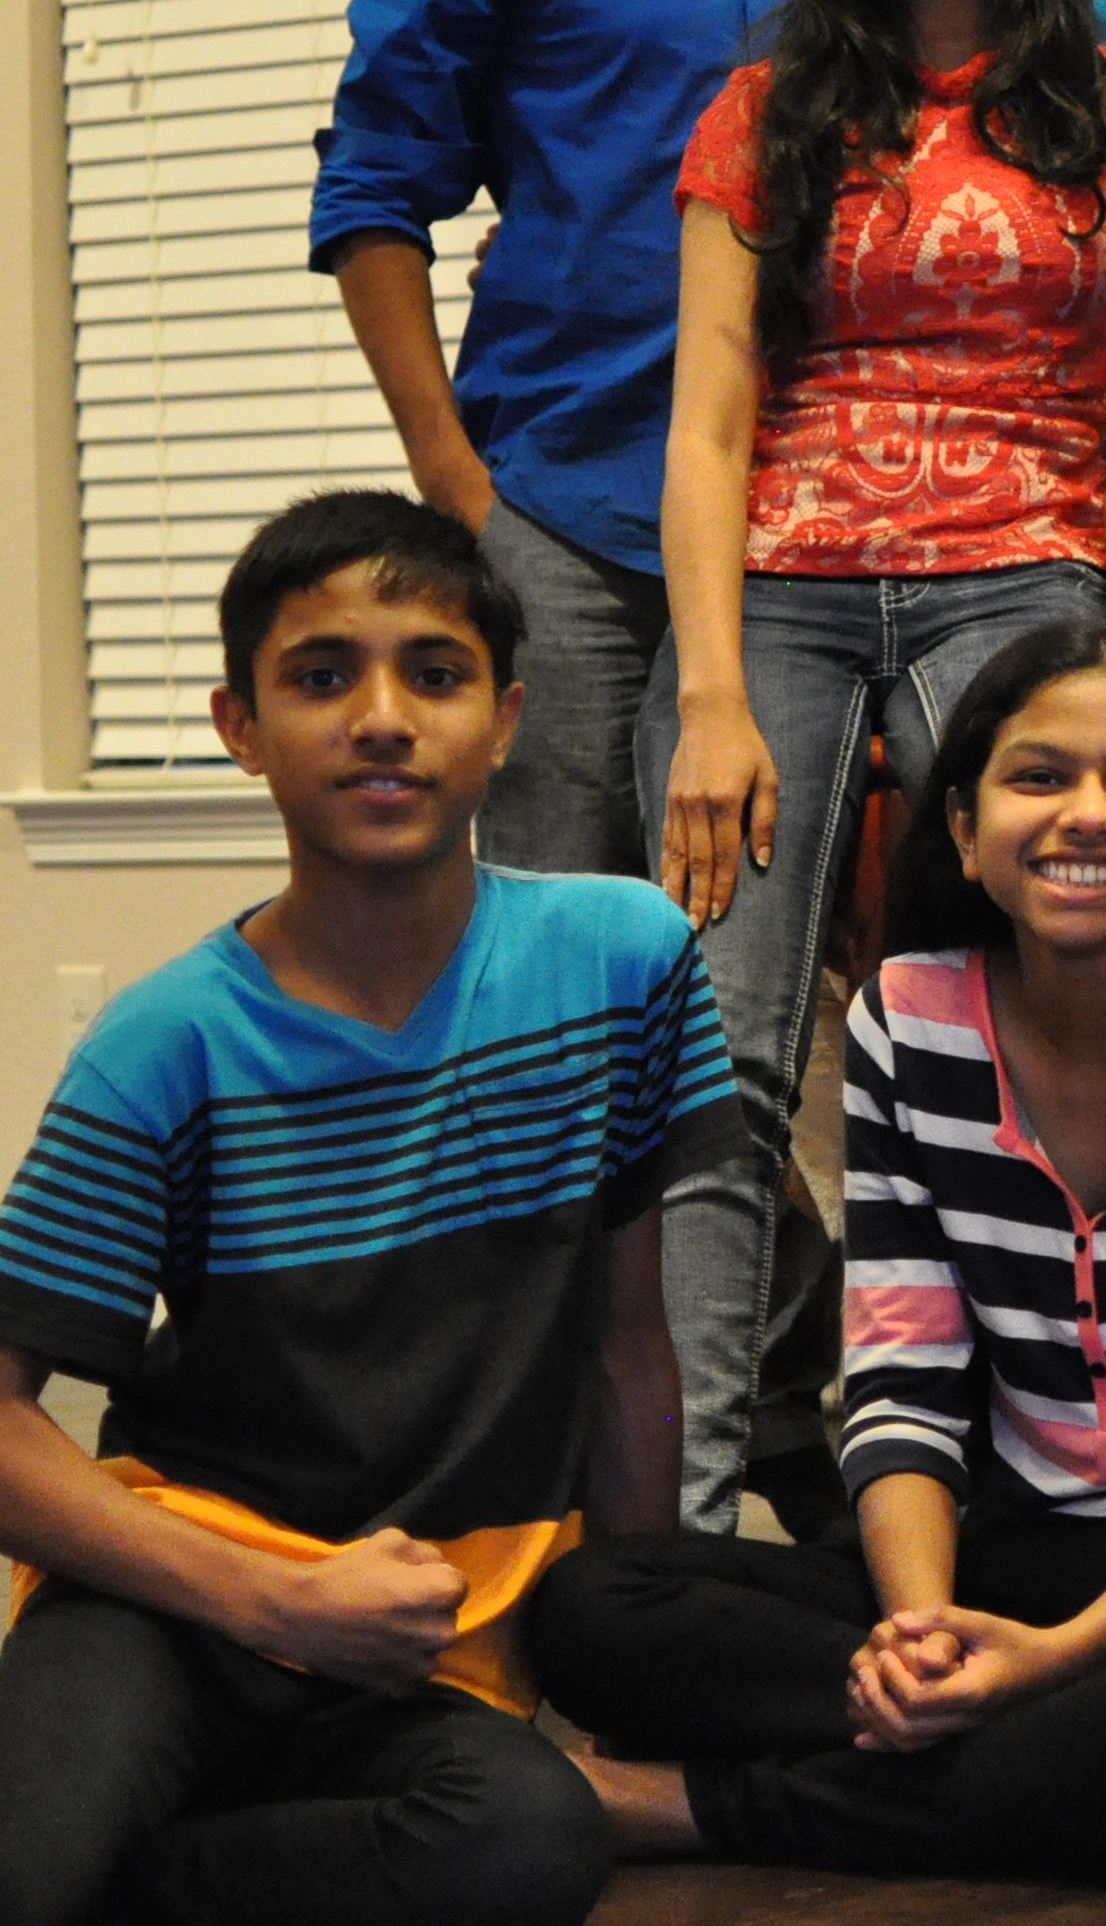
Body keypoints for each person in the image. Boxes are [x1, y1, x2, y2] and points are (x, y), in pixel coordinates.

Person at [535, 620, 1106, 1879]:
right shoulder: (908, 1017)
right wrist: (927, 1631)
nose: (1087, 814)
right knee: (592, 1609)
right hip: (1006, 1549)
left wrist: (1064, 1655)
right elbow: (903, 1382)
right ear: (965, 831)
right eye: (1039, 776)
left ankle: (698, 1809)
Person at [644, 0, 1106, 1535]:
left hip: (1028, 582)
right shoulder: (761, 112)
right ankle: (696, 1518)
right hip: (784, 595)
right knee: (715, 1060)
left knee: (1043, 1020)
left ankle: (1069, 1481)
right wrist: (713, 694)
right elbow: (713, 410)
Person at [0, 492, 726, 1926]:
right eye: (321, 676)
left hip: (421, 1652)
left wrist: (617, 1688)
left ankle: (147, 1871)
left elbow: (631, 1359)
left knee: (529, 1842)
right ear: (240, 727)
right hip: (180, 1606)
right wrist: (267, 1603)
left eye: (434, 674)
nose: (382, 717)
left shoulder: (624, 963)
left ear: (507, 720)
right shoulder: (169, 1046)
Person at [312, 0, 803, 877]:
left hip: (817, 521)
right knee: (551, 948)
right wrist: (455, 482)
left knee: (769, 956)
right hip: (565, 513)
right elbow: (372, 191)